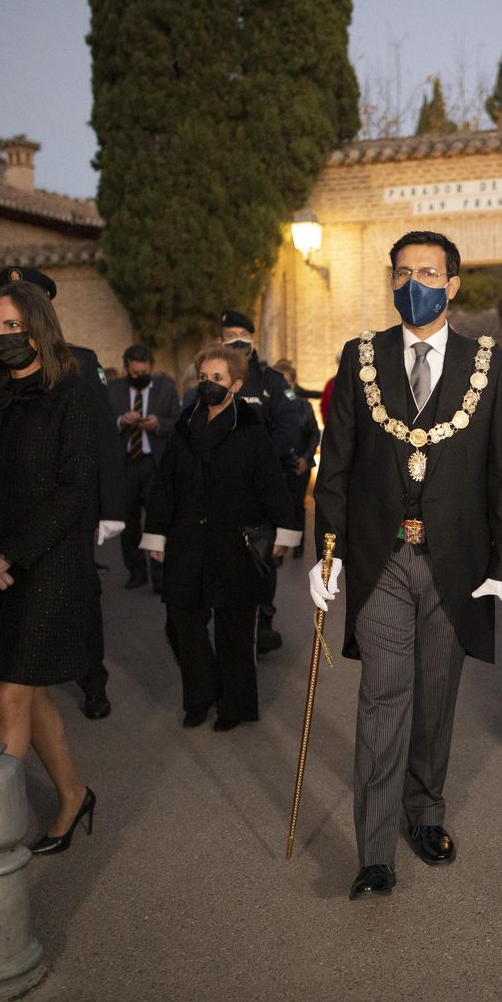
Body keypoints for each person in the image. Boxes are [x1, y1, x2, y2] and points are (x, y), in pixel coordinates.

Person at [311, 229, 502, 900]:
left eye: (428, 272)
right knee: (381, 699)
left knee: (435, 700)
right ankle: (375, 851)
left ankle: (424, 810)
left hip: (455, 561)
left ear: (453, 284)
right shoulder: (361, 356)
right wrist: (330, 553)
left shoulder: (487, 363)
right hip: (382, 558)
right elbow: (336, 465)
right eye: (402, 272)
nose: (414, 283)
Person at [0, 281, 99, 856]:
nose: (4, 336)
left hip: (46, 565)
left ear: (40, 328)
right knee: (26, 692)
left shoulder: (71, 394)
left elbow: (76, 489)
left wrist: (7, 555)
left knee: (8, 696)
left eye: (15, 326)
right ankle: (74, 794)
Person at [0, 266, 125, 720]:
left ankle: (92, 680)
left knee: (81, 596)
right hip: (9, 507)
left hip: (68, 505)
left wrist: (112, 505)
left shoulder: (80, 361)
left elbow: (103, 436)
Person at [142, 345, 298, 729]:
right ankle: (200, 694)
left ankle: (235, 705)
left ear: (236, 385)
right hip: (186, 542)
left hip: (234, 546)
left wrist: (284, 530)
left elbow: (271, 484)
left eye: (217, 378)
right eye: (203, 378)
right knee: (182, 622)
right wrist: (156, 535)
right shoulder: (183, 427)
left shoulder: (250, 429)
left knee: (234, 630)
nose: (208, 385)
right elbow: (165, 485)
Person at [206, 311, 301, 654]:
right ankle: (228, 620)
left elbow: (289, 424)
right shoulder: (213, 379)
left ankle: (263, 621)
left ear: (252, 338)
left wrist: (257, 459)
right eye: (230, 334)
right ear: (220, 340)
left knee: (262, 556)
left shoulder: (271, 381)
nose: (237, 341)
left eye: (243, 334)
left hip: (261, 486)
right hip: (219, 487)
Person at [108, 344, 180, 592]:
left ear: (151, 368)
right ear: (126, 369)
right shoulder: (113, 390)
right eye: (134, 374)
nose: (139, 377)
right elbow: (103, 422)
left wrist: (158, 423)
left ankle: (159, 575)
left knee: (157, 519)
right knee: (128, 520)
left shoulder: (165, 390)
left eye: (144, 372)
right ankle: (136, 571)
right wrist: (121, 420)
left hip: (154, 463)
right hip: (126, 463)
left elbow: (178, 421)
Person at [272, 359, 321, 561]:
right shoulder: (269, 408)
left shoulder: (304, 407)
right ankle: (278, 547)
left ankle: (298, 544)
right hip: (276, 465)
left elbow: (313, 433)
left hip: (300, 463)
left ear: (293, 383)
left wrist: (305, 457)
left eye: (287, 383)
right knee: (277, 505)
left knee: (297, 504)